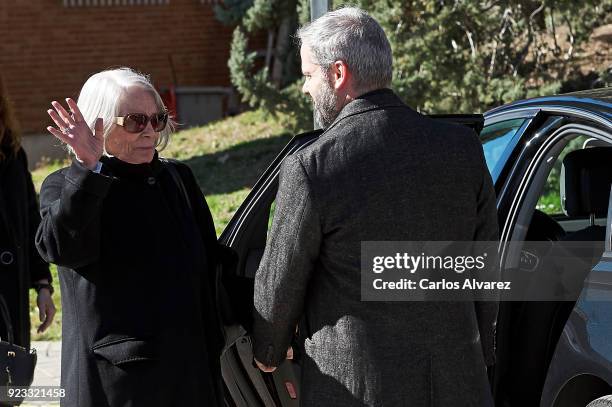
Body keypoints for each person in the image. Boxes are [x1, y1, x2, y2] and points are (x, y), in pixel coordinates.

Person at [252, 7, 499, 406]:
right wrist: (481, 354)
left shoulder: (313, 166)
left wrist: (268, 352)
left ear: (338, 73)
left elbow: (280, 283)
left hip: (355, 388)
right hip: (459, 380)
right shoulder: (462, 148)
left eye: (308, 75)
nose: (305, 89)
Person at [36, 67, 223, 406]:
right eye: (136, 121)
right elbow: (59, 247)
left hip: (191, 376)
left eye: (158, 118)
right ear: (100, 125)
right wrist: (87, 169)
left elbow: (212, 262)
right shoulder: (69, 184)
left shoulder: (177, 177)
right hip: (119, 385)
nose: (150, 131)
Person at [0, 72, 55, 349]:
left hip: (10, 301)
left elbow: (31, 220)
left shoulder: (11, 152)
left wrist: (42, 284)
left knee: (9, 385)